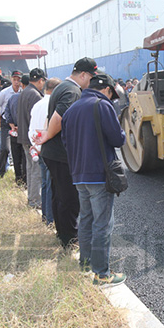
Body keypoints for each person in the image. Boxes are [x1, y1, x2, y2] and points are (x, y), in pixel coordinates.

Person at [61, 73, 126, 286]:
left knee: (86, 220)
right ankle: (102, 274)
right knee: (103, 224)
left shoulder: (71, 110)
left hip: (78, 175)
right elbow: (117, 139)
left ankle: (86, 264)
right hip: (99, 173)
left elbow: (65, 142)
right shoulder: (102, 106)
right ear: (107, 89)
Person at [36, 57, 97, 249]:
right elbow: (58, 118)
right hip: (61, 153)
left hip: (54, 153)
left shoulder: (62, 87)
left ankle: (62, 233)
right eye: (90, 78)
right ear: (83, 75)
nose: (90, 82)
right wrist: (47, 135)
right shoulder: (72, 91)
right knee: (69, 198)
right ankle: (69, 239)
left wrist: (47, 136)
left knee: (58, 195)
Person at [29, 77, 60, 224]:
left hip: (38, 147)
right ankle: (50, 218)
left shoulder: (37, 104)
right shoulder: (54, 104)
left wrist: (35, 146)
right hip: (48, 149)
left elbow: (32, 127)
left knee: (45, 184)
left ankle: (46, 216)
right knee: (52, 185)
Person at [16, 68, 45, 208]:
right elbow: (37, 120)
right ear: (40, 80)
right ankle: (34, 200)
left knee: (30, 168)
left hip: (24, 136)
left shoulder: (25, 92)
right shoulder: (35, 95)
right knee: (36, 170)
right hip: (32, 138)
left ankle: (31, 197)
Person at [0, 70, 22, 179]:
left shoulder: (23, 91)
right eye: (14, 80)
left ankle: (19, 173)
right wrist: (0, 121)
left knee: (19, 148)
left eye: (18, 80)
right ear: (11, 80)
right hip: (6, 122)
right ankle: (1, 171)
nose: (16, 82)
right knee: (4, 147)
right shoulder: (4, 93)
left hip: (19, 123)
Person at [3, 81, 26, 187]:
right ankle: (25, 179)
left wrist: (12, 125)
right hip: (25, 131)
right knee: (25, 156)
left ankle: (18, 179)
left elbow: (6, 113)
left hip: (14, 131)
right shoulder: (30, 97)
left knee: (16, 156)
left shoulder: (12, 98)